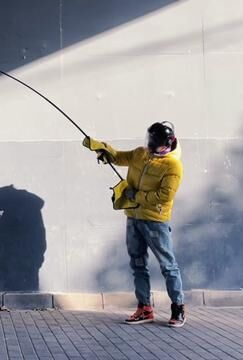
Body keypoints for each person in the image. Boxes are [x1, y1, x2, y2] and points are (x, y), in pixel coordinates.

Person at [84, 121, 186, 328]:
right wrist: (106, 152)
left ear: (168, 143)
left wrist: (137, 196)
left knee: (168, 266)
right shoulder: (141, 153)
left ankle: (178, 307)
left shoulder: (173, 165)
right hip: (133, 217)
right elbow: (122, 157)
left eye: (154, 144)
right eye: (148, 141)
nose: (149, 147)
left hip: (156, 222)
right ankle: (144, 308)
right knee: (138, 264)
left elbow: (165, 196)